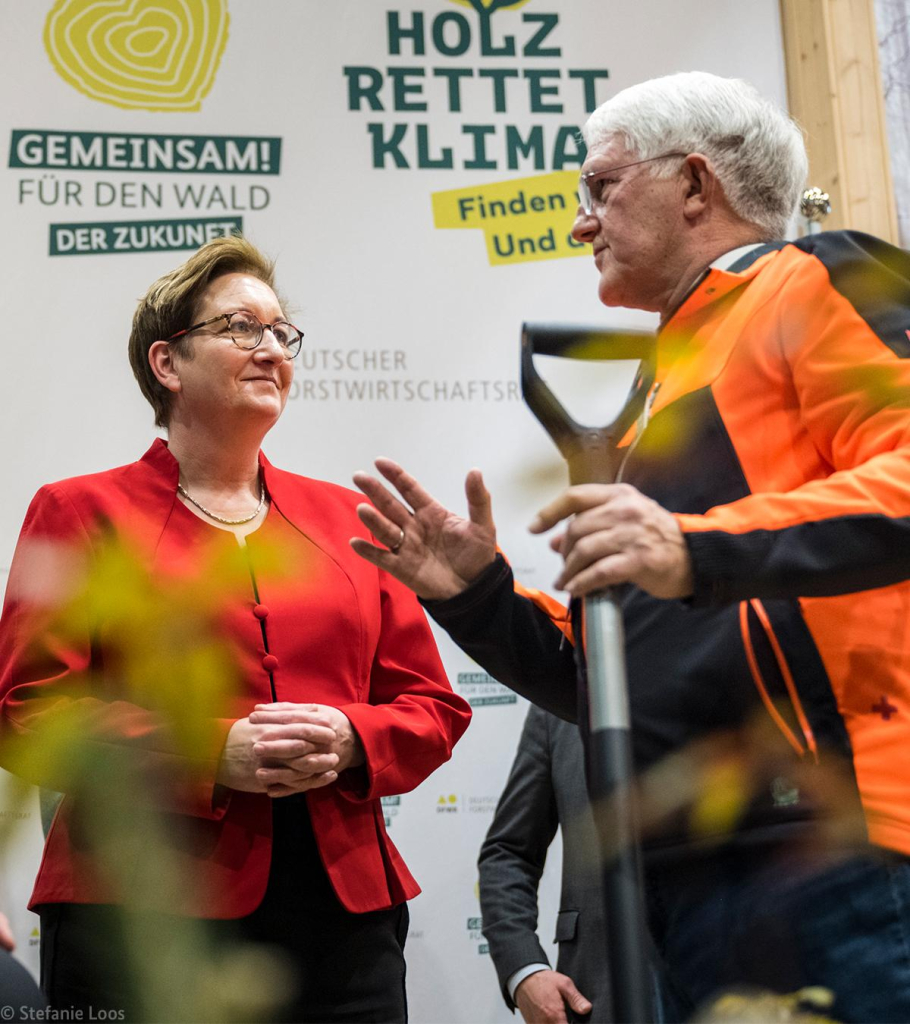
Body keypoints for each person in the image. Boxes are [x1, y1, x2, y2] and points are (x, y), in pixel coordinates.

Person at [351, 72, 910, 1022]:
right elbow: (610, 680)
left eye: (601, 189)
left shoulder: (819, 277)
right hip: (689, 882)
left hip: (837, 849)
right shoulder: (664, 397)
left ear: (695, 184)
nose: (580, 224)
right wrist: (480, 598)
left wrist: (696, 545)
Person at [0, 235, 471, 1023]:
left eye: (282, 333)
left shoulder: (346, 521)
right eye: (240, 328)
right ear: (167, 363)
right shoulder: (79, 512)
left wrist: (353, 737)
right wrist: (210, 750)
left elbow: (433, 708)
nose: (271, 350)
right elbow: (28, 714)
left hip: (345, 921)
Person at [479, 705, 607, 1023]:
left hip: (721, 984)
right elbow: (508, 854)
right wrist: (525, 972)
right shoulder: (558, 707)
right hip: (595, 995)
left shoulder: (732, 679)